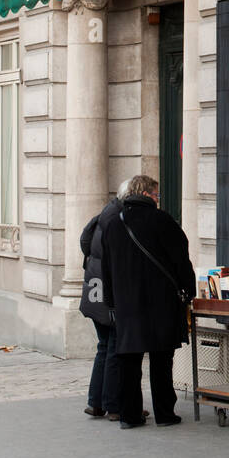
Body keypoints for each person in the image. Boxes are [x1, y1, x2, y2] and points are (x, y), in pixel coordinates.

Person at [101, 173, 196, 429]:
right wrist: (189, 289)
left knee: (128, 362)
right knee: (161, 360)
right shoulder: (163, 221)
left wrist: (111, 301)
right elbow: (181, 260)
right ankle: (165, 414)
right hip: (161, 302)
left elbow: (106, 269)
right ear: (146, 194)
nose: (158, 199)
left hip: (127, 304)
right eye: (156, 194)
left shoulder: (113, 224)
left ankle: (129, 416)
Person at [80, 179, 131, 421]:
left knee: (104, 347)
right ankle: (113, 405)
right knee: (113, 348)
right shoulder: (118, 219)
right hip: (106, 294)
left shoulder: (105, 214)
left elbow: (85, 243)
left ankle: (96, 402)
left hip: (94, 291)